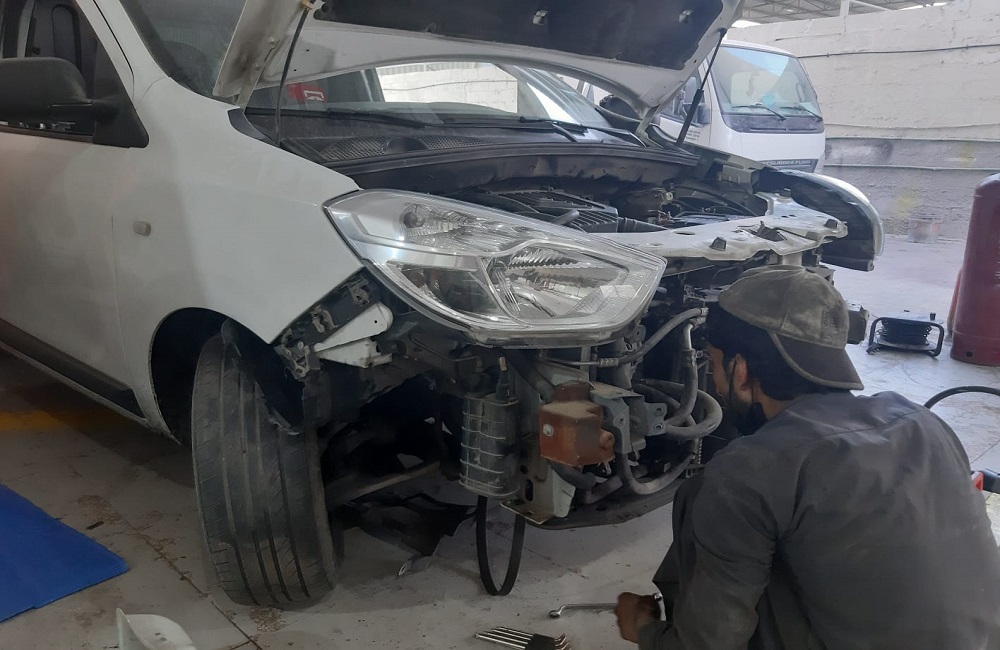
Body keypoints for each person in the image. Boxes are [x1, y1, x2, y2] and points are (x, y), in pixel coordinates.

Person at [615, 266, 1000, 649]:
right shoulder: (922, 421)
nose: (715, 381)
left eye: (715, 366)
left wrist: (645, 629)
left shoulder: (749, 470)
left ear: (741, 370)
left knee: (698, 495)